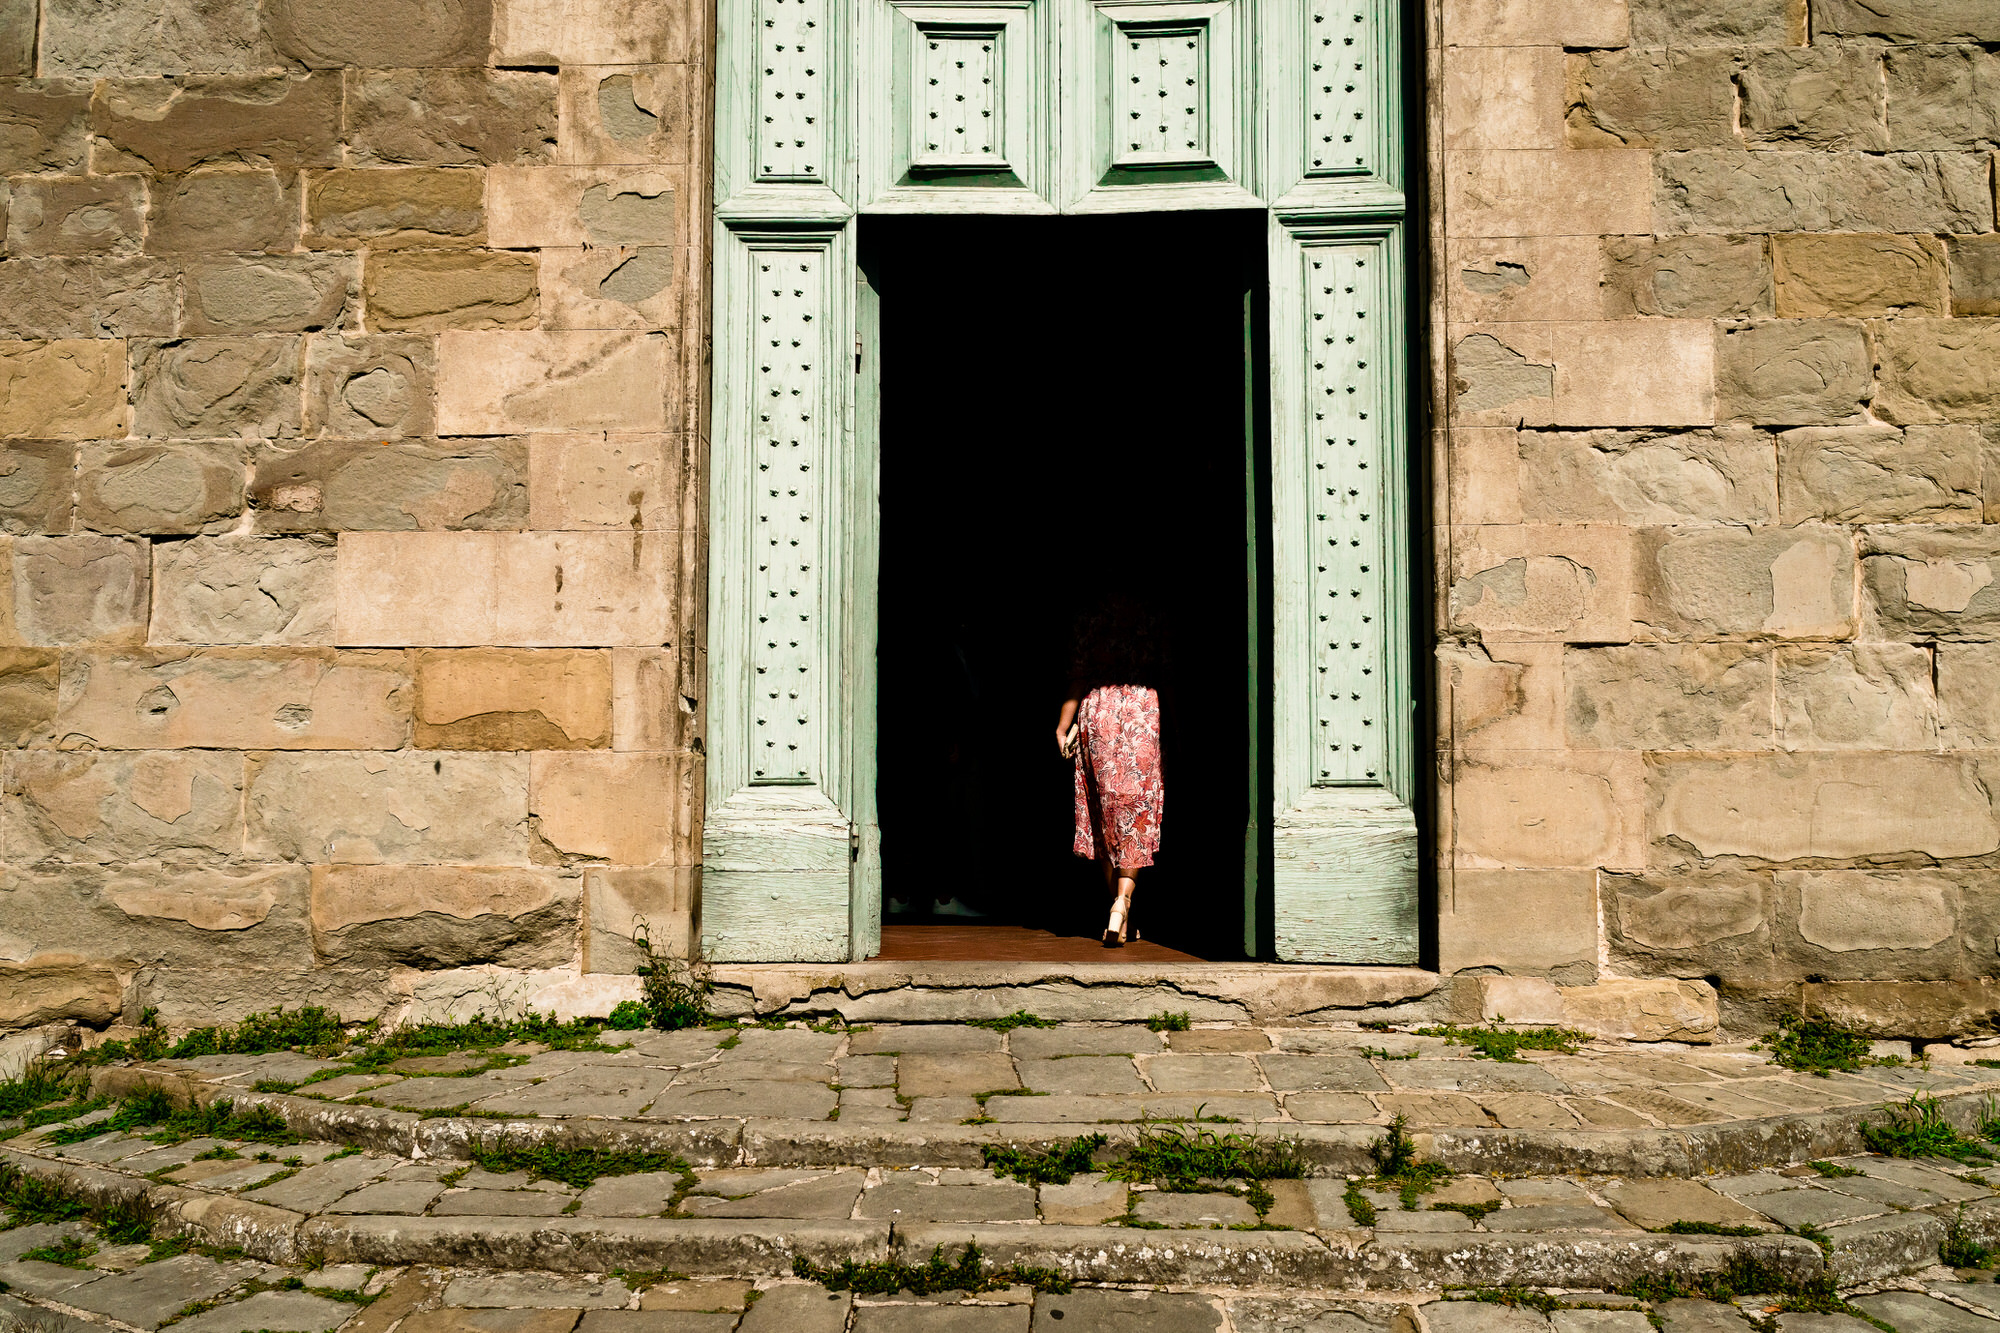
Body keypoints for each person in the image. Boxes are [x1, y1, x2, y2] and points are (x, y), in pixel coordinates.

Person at [1055, 595, 1166, 947]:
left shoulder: (1091, 614)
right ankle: (1123, 902)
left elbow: (1078, 676)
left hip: (1099, 713)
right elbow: (1168, 675)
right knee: (1136, 813)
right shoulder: (1152, 613)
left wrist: (1063, 726)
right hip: (1144, 712)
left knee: (1104, 814)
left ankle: (1119, 912)